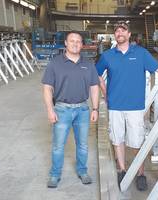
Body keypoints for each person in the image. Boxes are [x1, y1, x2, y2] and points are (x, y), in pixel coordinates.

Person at [96, 21, 158, 191]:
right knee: (118, 139)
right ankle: (122, 169)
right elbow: (97, 74)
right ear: (115, 35)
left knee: (136, 141)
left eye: (123, 30)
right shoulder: (107, 55)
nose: (120, 32)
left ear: (129, 35)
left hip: (135, 107)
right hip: (115, 106)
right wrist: (105, 92)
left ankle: (140, 173)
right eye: (117, 30)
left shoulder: (141, 53)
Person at [42, 31, 100, 188]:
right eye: (72, 41)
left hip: (82, 109)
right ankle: (55, 174)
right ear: (66, 43)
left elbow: (94, 87)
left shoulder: (88, 64)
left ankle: (82, 171)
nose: (75, 43)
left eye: (78, 41)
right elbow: (47, 88)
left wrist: (95, 109)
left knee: (83, 144)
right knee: (58, 145)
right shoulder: (55, 63)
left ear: (82, 44)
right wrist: (50, 110)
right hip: (62, 109)